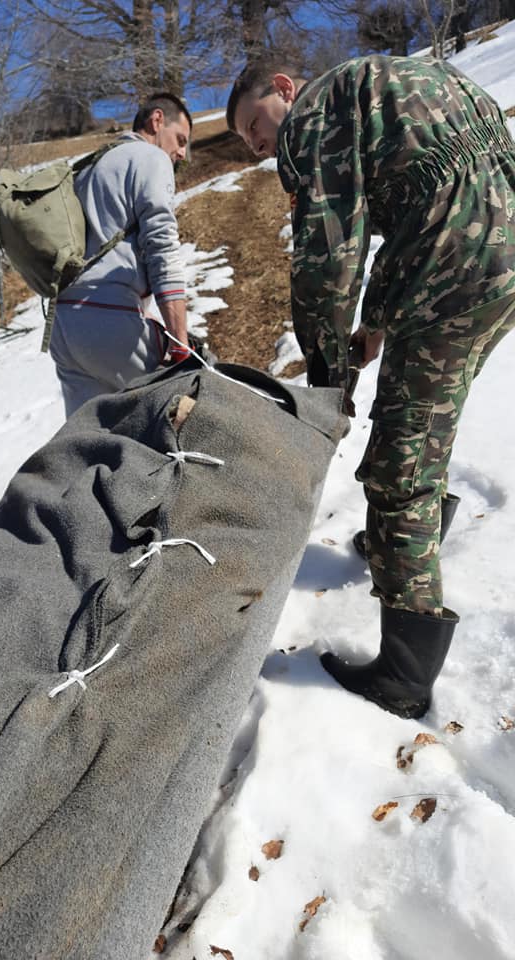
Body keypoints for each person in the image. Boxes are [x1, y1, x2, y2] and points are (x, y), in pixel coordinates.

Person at [227, 55, 515, 718]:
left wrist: (327, 377)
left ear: (283, 90)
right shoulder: (402, 80)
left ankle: (404, 674)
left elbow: (330, 255)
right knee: (430, 410)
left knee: (399, 463)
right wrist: (378, 326)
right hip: (501, 250)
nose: (256, 142)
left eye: (253, 124)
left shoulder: (314, 115)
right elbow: (441, 186)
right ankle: (408, 536)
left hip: (453, 261)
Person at [50, 92, 192, 417]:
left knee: (91, 446)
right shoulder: (149, 158)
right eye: (180, 139)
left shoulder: (87, 169)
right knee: (189, 405)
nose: (183, 152)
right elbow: (163, 247)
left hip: (62, 329)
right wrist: (181, 345)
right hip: (110, 323)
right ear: (157, 121)